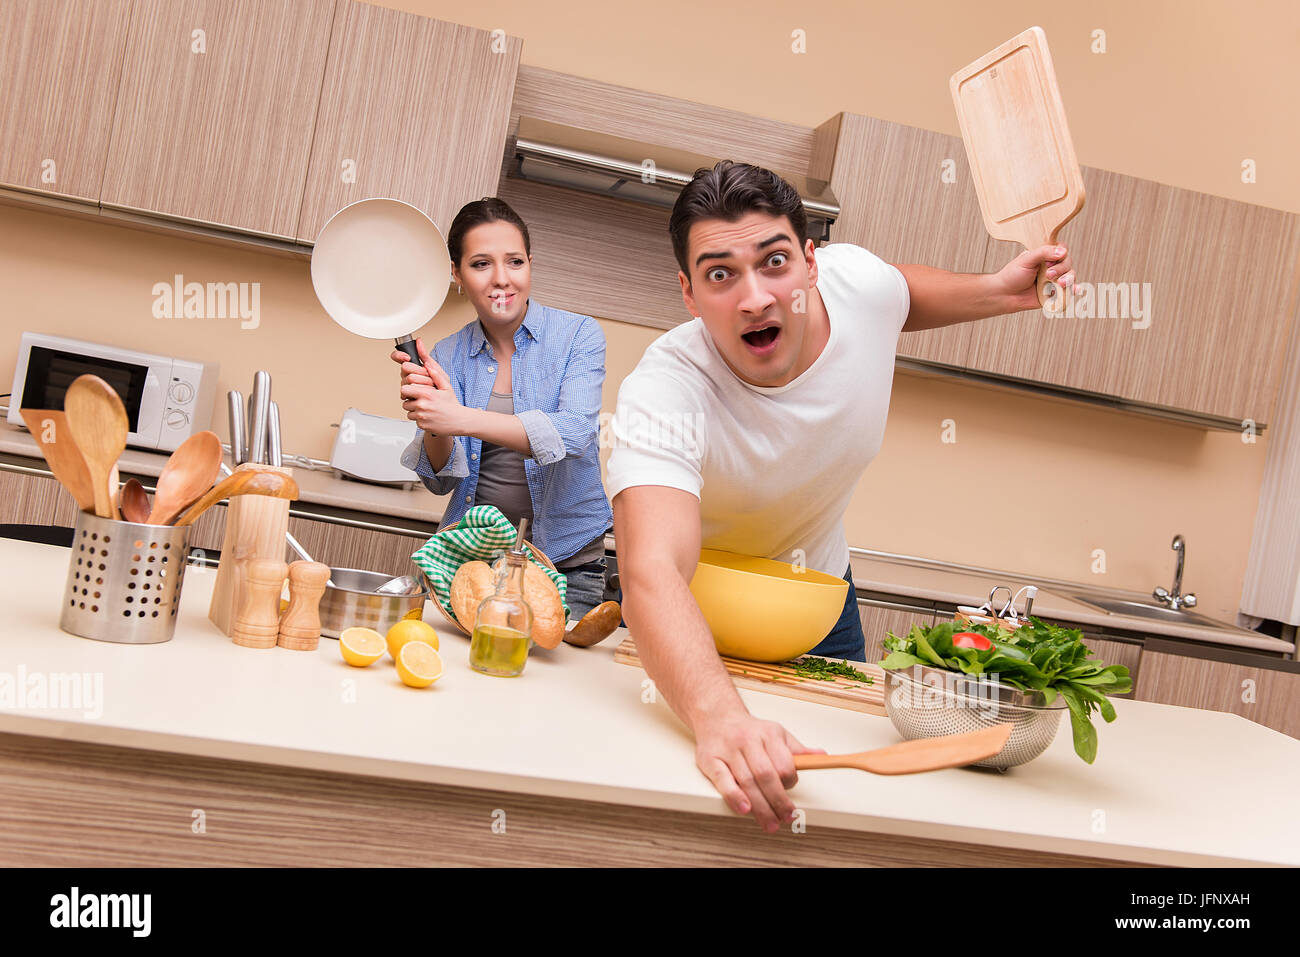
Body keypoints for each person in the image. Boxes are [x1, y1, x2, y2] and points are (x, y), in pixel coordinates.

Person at [607, 161, 1075, 831]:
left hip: (816, 601)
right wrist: (720, 717)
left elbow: (902, 292)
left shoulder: (859, 285)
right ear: (687, 293)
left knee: (836, 808)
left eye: (774, 263)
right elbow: (651, 569)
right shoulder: (666, 390)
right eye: (720, 274)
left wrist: (998, 290)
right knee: (685, 798)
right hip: (688, 616)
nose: (755, 298)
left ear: (811, 263)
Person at [394, 198, 613, 618]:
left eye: (514, 261)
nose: (501, 279)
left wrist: (460, 417)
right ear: (456, 273)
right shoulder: (449, 354)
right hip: (471, 562)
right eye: (480, 264)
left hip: (566, 562)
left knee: (555, 680)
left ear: (530, 263)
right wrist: (434, 419)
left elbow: (574, 434)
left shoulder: (579, 337)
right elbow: (441, 482)